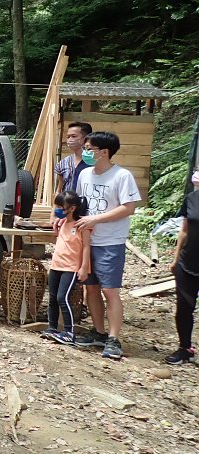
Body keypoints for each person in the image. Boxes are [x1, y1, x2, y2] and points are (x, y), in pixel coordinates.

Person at [73, 131, 142, 360]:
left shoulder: (122, 176)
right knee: (90, 288)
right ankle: (98, 332)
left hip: (110, 241)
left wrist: (96, 219)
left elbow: (128, 208)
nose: (85, 152)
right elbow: (80, 204)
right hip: (86, 240)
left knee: (109, 290)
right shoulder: (84, 174)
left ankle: (113, 339)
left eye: (89, 149)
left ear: (104, 152)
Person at [41, 191, 91, 345]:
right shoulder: (62, 222)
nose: (57, 210)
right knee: (52, 298)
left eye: (60, 207)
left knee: (62, 298)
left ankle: (69, 331)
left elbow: (86, 247)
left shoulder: (82, 225)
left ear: (72, 208)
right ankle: (52, 327)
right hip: (56, 264)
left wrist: (84, 268)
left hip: (71, 267)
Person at [166, 183, 199, 364]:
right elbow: (184, 230)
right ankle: (185, 348)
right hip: (187, 263)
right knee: (184, 308)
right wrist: (176, 259)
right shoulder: (192, 199)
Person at [54, 121, 93, 195]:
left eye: (74, 136)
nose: (70, 140)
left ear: (86, 139)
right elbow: (59, 189)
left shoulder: (94, 162)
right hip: (66, 201)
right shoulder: (63, 163)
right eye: (68, 137)